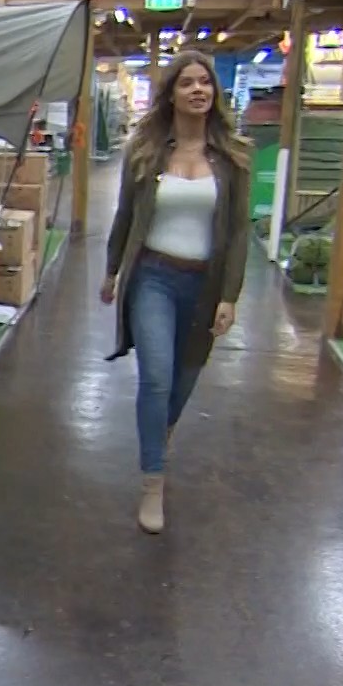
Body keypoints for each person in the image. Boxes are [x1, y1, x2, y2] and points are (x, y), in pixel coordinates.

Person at [99, 50, 251, 534]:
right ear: (171, 94)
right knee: (157, 377)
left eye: (205, 82)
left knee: (184, 381)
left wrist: (230, 295)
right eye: (186, 82)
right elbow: (126, 215)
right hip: (153, 277)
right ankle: (153, 483)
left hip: (204, 284)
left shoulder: (233, 157)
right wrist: (111, 270)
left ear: (214, 92)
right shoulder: (145, 153)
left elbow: (239, 232)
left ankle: (158, 435)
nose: (197, 89)